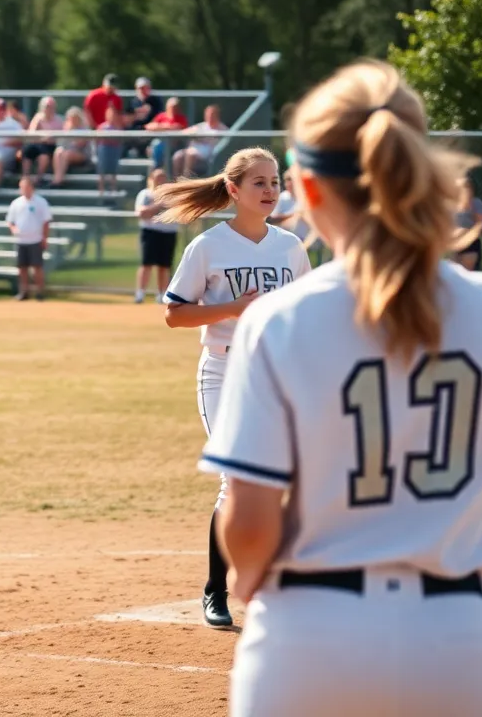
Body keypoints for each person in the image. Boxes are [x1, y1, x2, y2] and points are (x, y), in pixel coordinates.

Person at [201, 59, 482, 717]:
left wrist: (247, 577)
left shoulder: (278, 321)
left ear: (305, 190)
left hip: (308, 635)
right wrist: (440, 490)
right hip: (458, 641)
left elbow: (250, 525)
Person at [159, 146, 311, 629]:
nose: (270, 190)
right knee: (235, 479)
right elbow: (174, 314)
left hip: (272, 375)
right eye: (259, 183)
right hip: (223, 372)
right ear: (233, 190)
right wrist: (232, 309)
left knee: (276, 481)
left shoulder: (290, 246)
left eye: (275, 182)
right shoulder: (207, 246)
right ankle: (215, 590)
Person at [134, 169, 179, 303]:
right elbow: (142, 212)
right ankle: (140, 293)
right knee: (146, 263)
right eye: (158, 178)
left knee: (164, 265)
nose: (161, 181)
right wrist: (158, 205)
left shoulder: (172, 196)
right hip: (150, 232)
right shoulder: (146, 194)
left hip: (168, 232)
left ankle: (162, 294)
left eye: (163, 177)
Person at [5, 176, 52, 302]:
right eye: (22, 187)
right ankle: (24, 292)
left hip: (35, 239)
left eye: (26, 187)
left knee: (37, 267)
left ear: (32, 187)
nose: (24, 190)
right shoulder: (16, 203)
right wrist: (14, 230)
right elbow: (10, 221)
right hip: (21, 240)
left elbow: (46, 221)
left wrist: (44, 237)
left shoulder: (41, 202)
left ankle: (40, 292)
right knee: (22, 267)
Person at [172, 105, 229, 179]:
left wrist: (201, 137)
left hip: (208, 154)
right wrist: (192, 133)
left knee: (190, 154)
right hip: (193, 149)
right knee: (177, 156)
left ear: (217, 115)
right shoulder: (202, 126)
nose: (210, 117)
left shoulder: (222, 129)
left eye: (212, 114)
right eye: (208, 114)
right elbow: (184, 132)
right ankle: (175, 180)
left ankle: (185, 179)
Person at [145, 97, 190, 172]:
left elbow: (179, 128)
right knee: (156, 144)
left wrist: (160, 127)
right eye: (171, 106)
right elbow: (149, 127)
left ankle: (157, 169)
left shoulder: (181, 118)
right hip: (160, 141)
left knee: (157, 145)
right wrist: (167, 126)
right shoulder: (161, 116)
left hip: (175, 144)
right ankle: (157, 169)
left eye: (175, 106)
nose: (173, 108)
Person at [24, 97, 64, 181]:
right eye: (47, 106)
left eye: (51, 106)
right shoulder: (38, 118)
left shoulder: (59, 120)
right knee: (27, 151)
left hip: (50, 146)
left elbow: (61, 138)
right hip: (38, 143)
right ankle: (25, 177)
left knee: (44, 155)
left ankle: (38, 178)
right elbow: (31, 133)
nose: (49, 109)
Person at [52, 108, 90, 187]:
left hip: (82, 155)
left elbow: (80, 144)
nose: (73, 120)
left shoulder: (84, 129)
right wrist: (68, 131)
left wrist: (71, 132)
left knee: (66, 154)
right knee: (58, 151)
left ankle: (58, 181)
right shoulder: (66, 129)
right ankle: (57, 178)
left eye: (74, 118)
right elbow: (61, 144)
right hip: (68, 153)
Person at [454, 178, 482, 271]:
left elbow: (479, 226)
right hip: (457, 244)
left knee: (467, 274)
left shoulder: (476, 203)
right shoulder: (456, 204)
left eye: (467, 188)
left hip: (471, 245)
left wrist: (465, 233)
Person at [96, 105, 123, 201]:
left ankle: (113, 190)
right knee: (102, 171)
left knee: (113, 172)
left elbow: (119, 140)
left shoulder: (118, 127)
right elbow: (98, 139)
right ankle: (101, 192)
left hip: (114, 151)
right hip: (104, 151)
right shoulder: (102, 126)